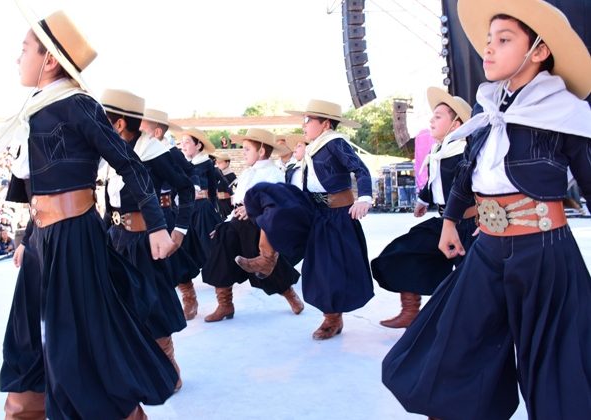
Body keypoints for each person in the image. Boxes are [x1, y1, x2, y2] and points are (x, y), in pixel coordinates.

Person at [382, 1, 591, 418]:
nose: (488, 50)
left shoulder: (566, 114)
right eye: (488, 41)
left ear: (540, 50)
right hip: (486, 249)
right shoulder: (487, 111)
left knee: (552, 367)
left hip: (544, 253)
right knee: (455, 345)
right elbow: (466, 175)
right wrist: (448, 222)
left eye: (504, 40)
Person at [0, 5, 178, 419]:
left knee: (77, 348)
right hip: (45, 239)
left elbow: (129, 164)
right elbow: (41, 186)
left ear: (49, 59)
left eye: (25, 48)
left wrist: (157, 225)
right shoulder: (37, 108)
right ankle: (24, 409)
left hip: (75, 238)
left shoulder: (78, 105)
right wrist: (29, 238)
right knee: (26, 339)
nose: (18, 55)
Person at [239, 99, 373, 340]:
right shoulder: (313, 148)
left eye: (308, 119)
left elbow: (360, 169)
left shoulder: (335, 143)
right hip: (315, 211)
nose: (304, 124)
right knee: (271, 202)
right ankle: (267, 258)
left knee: (328, 269)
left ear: (325, 124)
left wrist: (364, 197)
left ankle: (332, 318)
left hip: (335, 214)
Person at [102, 90, 194, 392]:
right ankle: (135, 369)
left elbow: (185, 187)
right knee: (120, 307)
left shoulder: (152, 151)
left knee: (152, 306)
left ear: (118, 124)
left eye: (102, 117)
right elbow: (109, 203)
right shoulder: (108, 152)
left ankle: (169, 369)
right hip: (116, 240)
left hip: (145, 242)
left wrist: (179, 230)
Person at [371, 87, 476, 328]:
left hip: (470, 226)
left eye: (438, 116)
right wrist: (423, 200)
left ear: (456, 123)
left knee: (470, 284)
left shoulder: (466, 152)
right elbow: (434, 184)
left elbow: (481, 190)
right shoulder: (439, 152)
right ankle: (410, 311)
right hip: (443, 223)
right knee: (403, 252)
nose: (431, 119)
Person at [202, 128, 303, 322]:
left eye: (247, 149)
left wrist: (252, 209)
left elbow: (275, 202)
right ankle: (225, 304)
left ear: (262, 151)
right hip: (237, 221)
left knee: (264, 265)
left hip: (257, 225)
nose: (243, 152)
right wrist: (226, 222)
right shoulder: (248, 173)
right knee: (220, 251)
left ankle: (290, 294)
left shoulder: (273, 173)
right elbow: (238, 203)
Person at [140, 108, 201, 321]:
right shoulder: (138, 149)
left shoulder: (169, 152)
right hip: (144, 213)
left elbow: (189, 173)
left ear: (156, 132)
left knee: (174, 258)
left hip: (164, 210)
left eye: (143, 125)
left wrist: (193, 189)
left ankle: (188, 295)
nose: (138, 128)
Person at [176, 128, 221, 320]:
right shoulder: (180, 163)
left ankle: (224, 302)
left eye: (187, 142)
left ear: (198, 145)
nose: (183, 145)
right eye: (182, 142)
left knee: (213, 252)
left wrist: (212, 210)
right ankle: (190, 300)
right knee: (180, 253)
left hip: (203, 211)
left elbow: (212, 190)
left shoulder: (206, 164)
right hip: (185, 212)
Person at [212, 152, 236, 220]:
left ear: (227, 163)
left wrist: (230, 195)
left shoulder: (231, 175)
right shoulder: (216, 173)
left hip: (226, 205)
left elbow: (238, 189)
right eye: (217, 162)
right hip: (217, 203)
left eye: (220, 162)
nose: (218, 164)